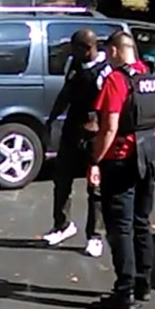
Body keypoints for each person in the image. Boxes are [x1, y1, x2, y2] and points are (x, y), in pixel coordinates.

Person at [88, 30, 155, 309]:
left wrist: (95, 160)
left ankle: (123, 292)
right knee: (142, 221)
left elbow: (110, 127)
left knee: (121, 227)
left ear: (115, 51)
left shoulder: (116, 81)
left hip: (121, 160)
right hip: (150, 155)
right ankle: (144, 284)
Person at [44, 28, 113, 257]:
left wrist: (102, 129)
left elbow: (111, 106)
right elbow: (66, 93)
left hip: (94, 133)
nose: (71, 53)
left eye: (76, 48)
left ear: (88, 48)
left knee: (95, 185)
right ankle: (62, 225)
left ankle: (95, 235)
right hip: (72, 128)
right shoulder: (74, 64)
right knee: (61, 178)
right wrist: (52, 118)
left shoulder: (105, 71)